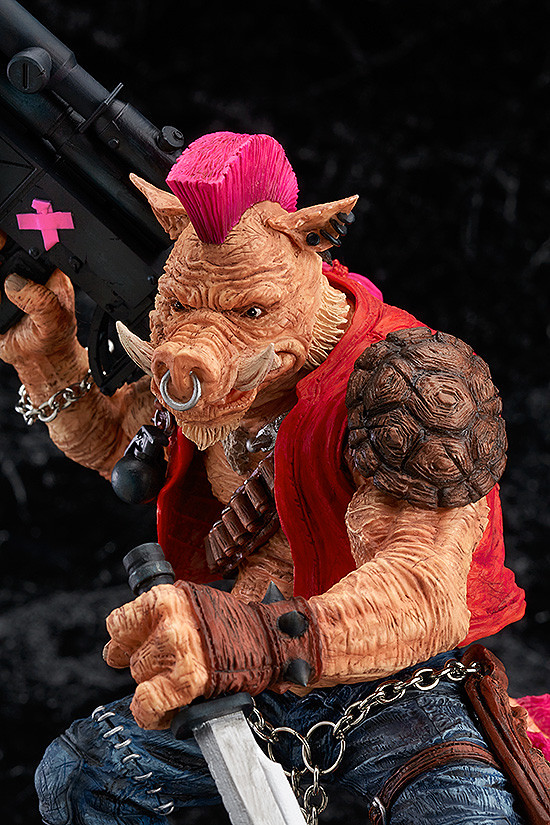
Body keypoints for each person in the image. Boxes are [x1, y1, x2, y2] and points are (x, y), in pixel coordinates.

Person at [1, 132, 530, 823]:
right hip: (250, 675)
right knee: (82, 775)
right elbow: (118, 451)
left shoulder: (413, 383)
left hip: (400, 682)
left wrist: (249, 640)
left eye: (248, 311)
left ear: (305, 266)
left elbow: (422, 594)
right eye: (181, 306)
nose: (194, 341)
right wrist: (50, 362)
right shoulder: (192, 361)